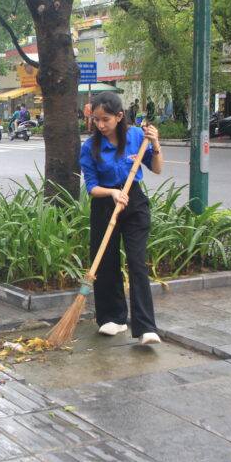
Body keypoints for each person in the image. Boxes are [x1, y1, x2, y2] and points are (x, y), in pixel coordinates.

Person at [79, 92, 164, 345]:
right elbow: (91, 186)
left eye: (105, 119)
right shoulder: (89, 147)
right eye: (96, 120)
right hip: (105, 203)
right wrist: (113, 192)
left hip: (134, 202)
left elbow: (156, 168)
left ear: (119, 117)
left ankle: (146, 327)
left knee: (137, 263)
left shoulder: (137, 137)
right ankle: (112, 318)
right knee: (106, 261)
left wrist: (156, 144)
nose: (101, 125)